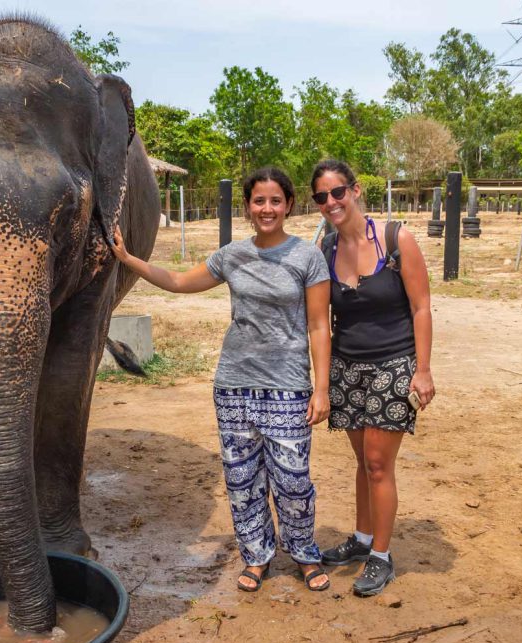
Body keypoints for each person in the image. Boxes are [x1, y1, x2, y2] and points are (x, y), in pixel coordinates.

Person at [111, 166, 332, 592]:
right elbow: (177, 282)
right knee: (242, 479)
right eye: (258, 201)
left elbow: (320, 327)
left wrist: (320, 389)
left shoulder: (308, 257)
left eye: (275, 201)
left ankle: (304, 552)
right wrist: (128, 259)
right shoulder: (231, 255)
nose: (266, 209)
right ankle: (256, 556)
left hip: (287, 387)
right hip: (233, 387)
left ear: (288, 205)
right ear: (247, 207)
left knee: (293, 481)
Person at [311, 159, 435, 597]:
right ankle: (362, 540)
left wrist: (422, 370)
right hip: (348, 368)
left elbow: (421, 307)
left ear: (356, 190)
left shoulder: (395, 238)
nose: (331, 202)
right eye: (321, 197)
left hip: (393, 364)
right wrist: (322, 383)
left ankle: (382, 556)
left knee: (380, 465)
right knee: (363, 462)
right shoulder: (325, 249)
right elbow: (320, 321)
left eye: (338, 192)